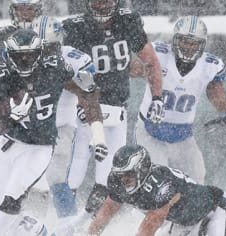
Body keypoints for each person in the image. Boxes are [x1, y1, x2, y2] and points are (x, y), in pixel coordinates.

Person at [0, 28, 107, 236]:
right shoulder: (0, 76)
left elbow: (88, 94)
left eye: (29, 55)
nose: (24, 61)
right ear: (7, 56)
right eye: (18, 56)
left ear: (39, 54)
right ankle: (34, 228)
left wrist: (99, 135)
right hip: (8, 143)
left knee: (13, 195)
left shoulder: (55, 68)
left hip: (40, 147)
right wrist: (12, 116)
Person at [61, 0, 164, 221]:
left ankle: (85, 225)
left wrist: (157, 98)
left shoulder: (128, 21)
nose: (102, 4)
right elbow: (64, 72)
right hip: (87, 107)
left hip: (117, 108)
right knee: (73, 172)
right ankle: (62, 220)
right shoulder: (75, 26)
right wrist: (79, 100)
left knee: (108, 179)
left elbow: (151, 62)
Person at [132, 15, 226, 184]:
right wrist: (139, 60)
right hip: (150, 130)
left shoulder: (210, 65)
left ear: (202, 44)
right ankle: (142, 210)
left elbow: (217, 95)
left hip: (182, 135)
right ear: (175, 40)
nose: (189, 47)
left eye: (194, 43)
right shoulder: (159, 53)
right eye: (185, 41)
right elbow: (133, 69)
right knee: (155, 180)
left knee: (196, 178)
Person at [30, 15, 105, 232]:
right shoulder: (23, 56)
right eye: (40, 47)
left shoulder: (73, 59)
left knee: (56, 178)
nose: (45, 52)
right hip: (27, 128)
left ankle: (68, 229)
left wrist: (98, 136)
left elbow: (90, 96)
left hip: (60, 127)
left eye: (50, 46)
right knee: (24, 180)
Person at [87, 144, 226, 236]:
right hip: (183, 222)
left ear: (143, 169)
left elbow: (148, 228)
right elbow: (104, 215)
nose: (123, 180)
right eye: (120, 174)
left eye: (128, 174)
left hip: (217, 209)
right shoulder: (116, 181)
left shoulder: (162, 186)